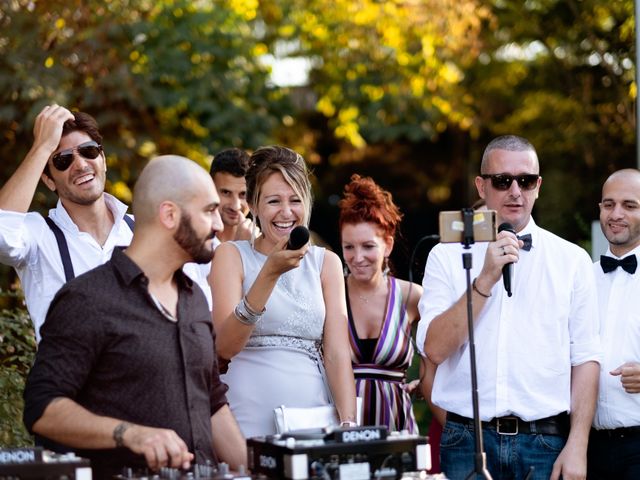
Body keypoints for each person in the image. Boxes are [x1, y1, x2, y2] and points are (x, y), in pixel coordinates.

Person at [23, 155, 246, 479]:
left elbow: (211, 401)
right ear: (169, 214)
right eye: (209, 211)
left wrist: (253, 470)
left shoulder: (195, 297)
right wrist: (130, 433)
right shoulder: (87, 299)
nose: (219, 225)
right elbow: (42, 408)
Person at [417, 135, 601, 480]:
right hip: (466, 440)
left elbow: (586, 358)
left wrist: (578, 444)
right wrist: (484, 280)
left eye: (526, 180)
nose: (515, 191)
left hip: (544, 441)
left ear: (538, 186)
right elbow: (434, 349)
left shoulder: (572, 260)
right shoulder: (445, 255)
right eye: (503, 181)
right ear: (481, 186)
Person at [210, 145, 357, 438]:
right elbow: (223, 347)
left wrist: (349, 424)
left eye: (295, 200)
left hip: (312, 416)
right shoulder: (230, 256)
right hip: (246, 416)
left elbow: (337, 352)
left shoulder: (325, 263)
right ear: (253, 205)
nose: (286, 212)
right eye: (274, 201)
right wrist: (268, 274)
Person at [0, 105, 134, 341]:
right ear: (49, 181)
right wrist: (42, 147)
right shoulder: (39, 236)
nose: (81, 165)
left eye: (89, 151)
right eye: (63, 160)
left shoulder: (141, 231)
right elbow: (3, 233)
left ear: (103, 159)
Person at [337, 174, 422, 432]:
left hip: (397, 429)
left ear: (388, 246)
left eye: (368, 246)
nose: (358, 257)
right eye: (349, 247)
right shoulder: (330, 294)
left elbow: (447, 346)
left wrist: (428, 381)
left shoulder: (412, 297)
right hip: (341, 434)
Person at [588, 168, 640, 479]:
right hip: (588, 446)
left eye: (629, 205)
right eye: (609, 204)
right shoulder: (581, 278)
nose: (616, 214)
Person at [209, 147, 254, 243]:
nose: (235, 206)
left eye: (243, 194)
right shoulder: (192, 239)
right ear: (210, 188)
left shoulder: (263, 245)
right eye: (226, 193)